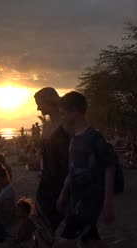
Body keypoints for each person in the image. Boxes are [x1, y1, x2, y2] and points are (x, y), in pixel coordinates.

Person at [56, 91, 115, 248]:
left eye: (63, 114)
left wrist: (107, 203)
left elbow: (109, 168)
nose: (61, 118)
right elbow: (73, 169)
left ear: (74, 111)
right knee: (90, 241)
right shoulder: (74, 138)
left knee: (64, 243)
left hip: (90, 200)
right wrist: (64, 192)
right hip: (76, 199)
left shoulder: (94, 137)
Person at [32, 87, 70, 248]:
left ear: (49, 101)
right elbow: (44, 155)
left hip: (65, 182)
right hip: (46, 183)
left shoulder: (68, 126)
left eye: (39, 103)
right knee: (43, 225)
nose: (38, 108)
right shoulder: (46, 127)